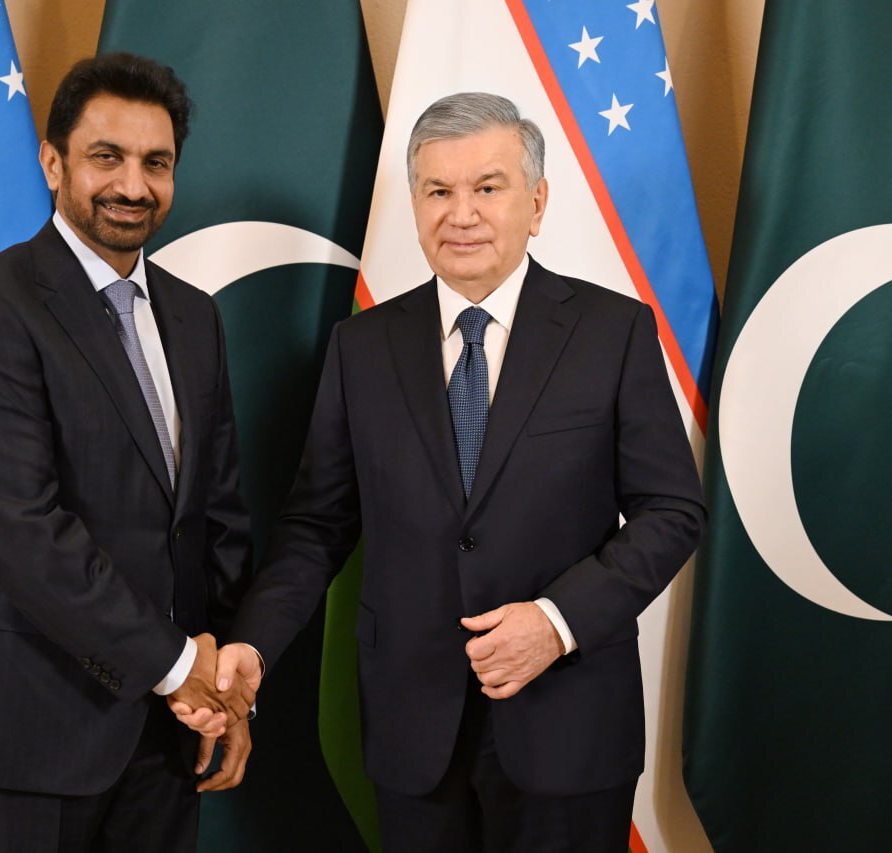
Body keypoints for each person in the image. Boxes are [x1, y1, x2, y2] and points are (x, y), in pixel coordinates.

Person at [183, 92, 705, 852]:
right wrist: (253, 645)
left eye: (487, 187)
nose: (461, 214)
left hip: (569, 724)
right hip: (412, 730)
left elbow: (672, 510)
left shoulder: (612, 331)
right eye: (437, 191)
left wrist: (556, 622)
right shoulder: (361, 347)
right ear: (416, 204)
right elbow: (316, 527)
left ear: (536, 202)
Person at [0, 53, 255, 852]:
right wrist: (178, 666)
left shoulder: (194, 317)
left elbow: (217, 516)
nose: (133, 185)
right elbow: (25, 531)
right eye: (107, 156)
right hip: (31, 728)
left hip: (171, 733)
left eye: (156, 163)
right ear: (53, 161)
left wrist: (226, 692)